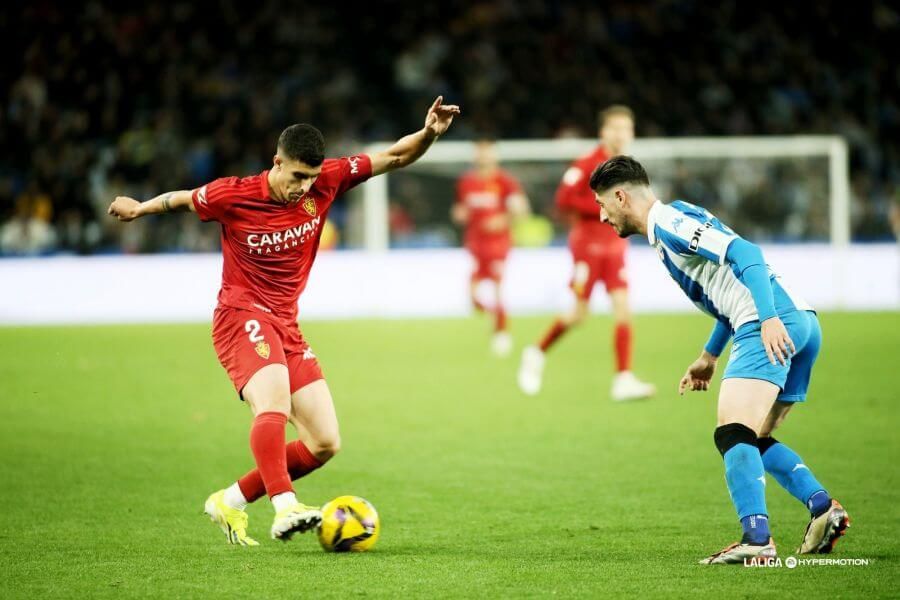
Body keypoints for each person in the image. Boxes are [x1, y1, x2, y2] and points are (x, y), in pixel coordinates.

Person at [108, 97, 460, 546]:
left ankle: (230, 501)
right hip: (241, 313)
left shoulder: (327, 180)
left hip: (286, 324)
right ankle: (284, 506)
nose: (303, 187)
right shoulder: (232, 194)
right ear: (277, 162)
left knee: (324, 442)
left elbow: (394, 156)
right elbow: (181, 199)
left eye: (311, 178)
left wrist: (429, 132)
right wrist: (140, 208)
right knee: (271, 401)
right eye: (297, 176)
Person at [588, 155, 850, 564]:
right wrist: (709, 354)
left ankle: (757, 539)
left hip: (771, 322)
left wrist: (766, 319)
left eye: (602, 205)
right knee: (754, 436)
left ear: (621, 196)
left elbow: (746, 253)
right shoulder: (677, 218)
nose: (602, 216)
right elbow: (728, 290)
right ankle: (822, 508)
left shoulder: (670, 224)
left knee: (732, 432)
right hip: (801, 321)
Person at [517, 106, 654, 400]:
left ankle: (623, 378)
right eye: (615, 128)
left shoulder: (628, 169)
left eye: (626, 129)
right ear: (603, 131)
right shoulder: (586, 164)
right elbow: (563, 199)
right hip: (588, 247)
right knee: (578, 314)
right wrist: (603, 206)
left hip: (615, 246)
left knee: (623, 310)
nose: (621, 134)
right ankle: (536, 352)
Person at [452, 139, 530, 356]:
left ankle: (502, 333)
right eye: (481, 154)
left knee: (497, 289)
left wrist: (502, 220)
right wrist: (459, 214)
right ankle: (495, 319)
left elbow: (521, 211)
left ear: (494, 156)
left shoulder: (505, 182)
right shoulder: (466, 182)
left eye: (488, 154)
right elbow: (460, 208)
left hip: (498, 244)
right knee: (473, 296)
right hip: (475, 244)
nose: (484, 158)